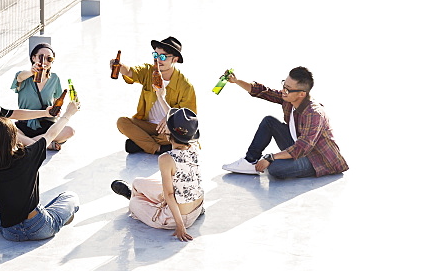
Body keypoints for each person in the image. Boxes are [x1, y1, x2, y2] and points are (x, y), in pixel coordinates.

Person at [0, 100, 80, 241]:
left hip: (9, 233)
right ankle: (54, 218)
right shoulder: (27, 156)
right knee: (70, 197)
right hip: (39, 226)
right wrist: (68, 114)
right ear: (13, 138)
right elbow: (50, 135)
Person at [221, 67, 348, 179]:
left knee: (275, 169)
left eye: (288, 89)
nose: (283, 91)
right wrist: (237, 81)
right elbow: (263, 92)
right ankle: (250, 161)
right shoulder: (289, 98)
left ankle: (271, 161)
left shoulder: (314, 113)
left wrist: (271, 157)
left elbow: (302, 148)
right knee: (269, 121)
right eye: (284, 85)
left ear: (301, 94)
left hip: (316, 159)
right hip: (297, 146)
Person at [111, 107, 204, 242]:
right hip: (197, 207)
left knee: (135, 202)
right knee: (137, 182)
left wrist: (180, 226)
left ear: (168, 131)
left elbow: (169, 194)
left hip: (180, 218)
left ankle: (135, 198)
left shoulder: (166, 159)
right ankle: (140, 196)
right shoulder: (194, 147)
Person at [111, 36, 196, 154]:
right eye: (155, 55)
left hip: (169, 129)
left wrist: (169, 120)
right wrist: (120, 67)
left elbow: (188, 119)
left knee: (178, 135)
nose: (158, 60)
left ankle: (142, 143)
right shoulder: (148, 71)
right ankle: (159, 148)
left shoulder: (186, 86)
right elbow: (131, 72)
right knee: (122, 122)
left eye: (162, 57)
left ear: (175, 60)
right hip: (148, 126)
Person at [11, 42, 75, 150]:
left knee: (69, 131)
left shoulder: (54, 78)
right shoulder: (23, 76)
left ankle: (28, 144)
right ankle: (43, 144)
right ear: (33, 58)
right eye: (41, 57)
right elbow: (19, 78)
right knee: (6, 130)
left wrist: (56, 111)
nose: (44, 61)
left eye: (49, 59)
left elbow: (56, 101)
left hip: (46, 124)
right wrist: (32, 71)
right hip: (24, 123)